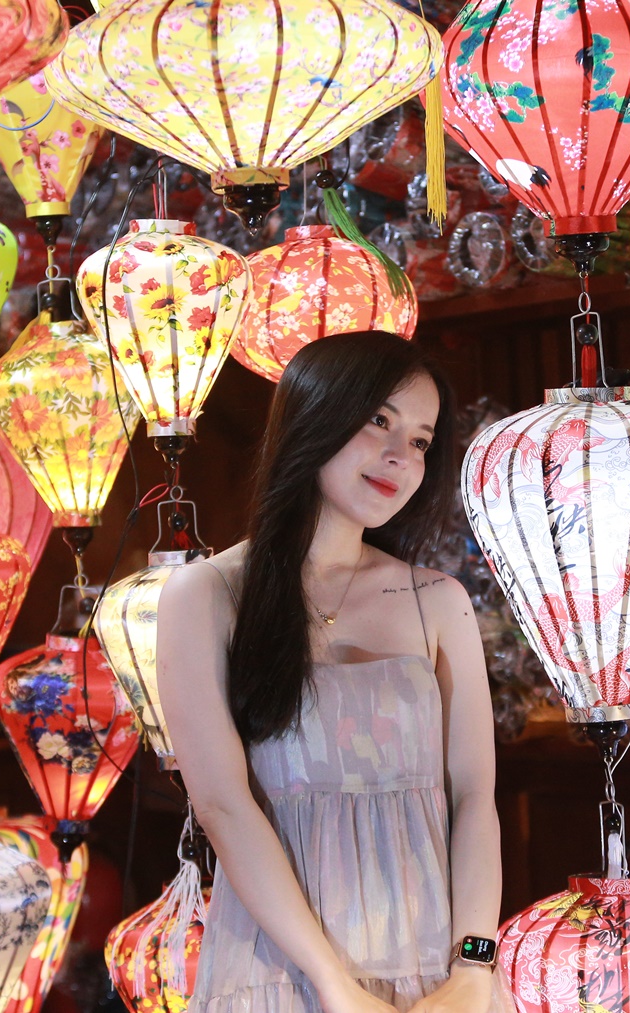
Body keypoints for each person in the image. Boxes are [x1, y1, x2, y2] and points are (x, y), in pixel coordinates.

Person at [155, 331, 503, 1013]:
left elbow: (475, 799)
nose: (402, 456)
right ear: (315, 413)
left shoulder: (437, 601)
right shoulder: (206, 595)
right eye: (381, 420)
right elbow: (224, 806)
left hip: (440, 977)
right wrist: (335, 985)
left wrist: (474, 969)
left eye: (423, 441)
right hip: (280, 972)